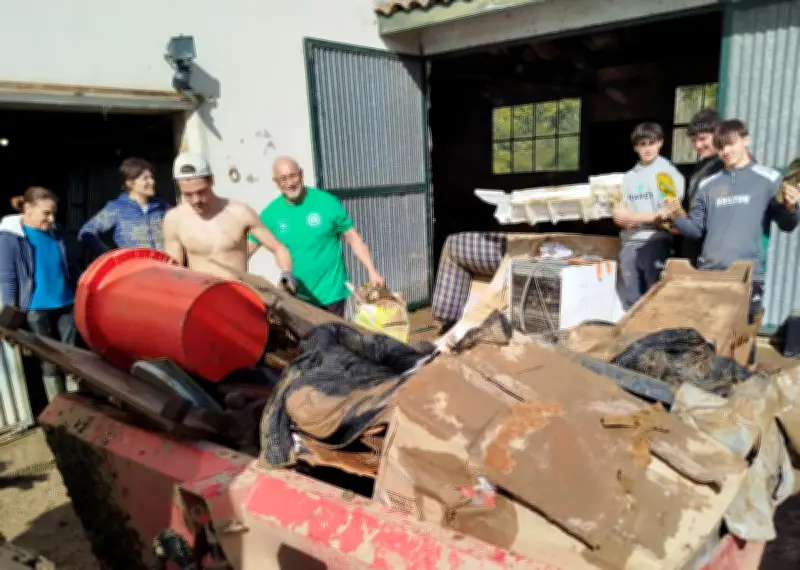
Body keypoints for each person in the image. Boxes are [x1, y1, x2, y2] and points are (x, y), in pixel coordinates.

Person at [664, 119, 800, 331]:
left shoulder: (770, 179)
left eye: (730, 144)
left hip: (747, 275)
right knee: (706, 336)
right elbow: (696, 231)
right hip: (709, 274)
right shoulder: (707, 184)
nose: (725, 151)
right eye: (720, 146)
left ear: (746, 140)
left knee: (741, 338)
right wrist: (676, 217)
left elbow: (787, 225)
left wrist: (791, 208)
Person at [248, 156, 384, 317]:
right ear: (276, 182)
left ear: (301, 174)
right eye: (283, 179)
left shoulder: (327, 202)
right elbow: (248, 247)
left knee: (330, 333)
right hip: (295, 296)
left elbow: (353, 238)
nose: (290, 183)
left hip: (331, 294)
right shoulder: (270, 214)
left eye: (293, 176)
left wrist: (372, 270)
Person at [163, 153, 294, 285]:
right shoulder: (174, 220)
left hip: (238, 294)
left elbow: (278, 248)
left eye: (201, 192)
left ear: (212, 180)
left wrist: (286, 274)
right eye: (188, 195)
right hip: (203, 294)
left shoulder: (240, 213)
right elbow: (175, 269)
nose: (196, 200)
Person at [0, 187, 81, 402]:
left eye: (54, 213)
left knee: (72, 357)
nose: (51, 219)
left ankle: (78, 404)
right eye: (46, 213)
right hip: (37, 309)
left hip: (66, 303)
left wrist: (83, 286)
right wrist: (10, 309)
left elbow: (71, 264)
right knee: (49, 360)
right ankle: (58, 405)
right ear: (28, 209)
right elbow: (7, 276)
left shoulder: (56, 232)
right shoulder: (11, 237)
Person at [612, 122, 685, 308]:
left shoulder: (667, 174)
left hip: (655, 241)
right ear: (635, 147)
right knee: (631, 300)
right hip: (629, 243)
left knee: (653, 299)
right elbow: (621, 208)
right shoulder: (628, 177)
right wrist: (619, 218)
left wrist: (633, 218)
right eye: (642, 144)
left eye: (651, 143)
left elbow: (668, 213)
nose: (647, 148)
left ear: (660, 142)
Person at [78, 157, 170, 258]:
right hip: (134, 266)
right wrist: (108, 255)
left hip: (162, 265)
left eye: (152, 177)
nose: (152, 182)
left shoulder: (162, 206)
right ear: (130, 183)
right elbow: (86, 231)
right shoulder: (117, 208)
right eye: (145, 178)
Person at [680, 109, 725, 265]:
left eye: (703, 139)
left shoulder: (727, 166)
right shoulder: (699, 167)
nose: (698, 145)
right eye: (694, 140)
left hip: (714, 249)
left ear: (719, 134)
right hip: (694, 244)